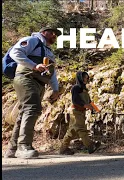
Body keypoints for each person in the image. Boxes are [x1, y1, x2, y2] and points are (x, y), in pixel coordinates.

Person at [4, 27, 62, 159]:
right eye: (52, 32)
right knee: (32, 108)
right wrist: (34, 66)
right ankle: (24, 146)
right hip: (26, 78)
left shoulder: (49, 52)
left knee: (25, 112)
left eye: (56, 34)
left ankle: (12, 148)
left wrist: (56, 89)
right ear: (43, 32)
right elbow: (15, 52)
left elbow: (51, 73)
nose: (54, 35)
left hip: (40, 84)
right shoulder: (32, 40)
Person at [59, 71, 101, 155]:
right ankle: (90, 146)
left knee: (71, 131)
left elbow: (89, 101)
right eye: (84, 77)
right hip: (76, 111)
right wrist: (85, 105)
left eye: (87, 77)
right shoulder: (76, 88)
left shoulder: (84, 89)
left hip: (81, 112)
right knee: (81, 128)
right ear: (80, 78)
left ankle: (63, 149)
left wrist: (96, 109)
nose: (86, 79)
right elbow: (75, 100)